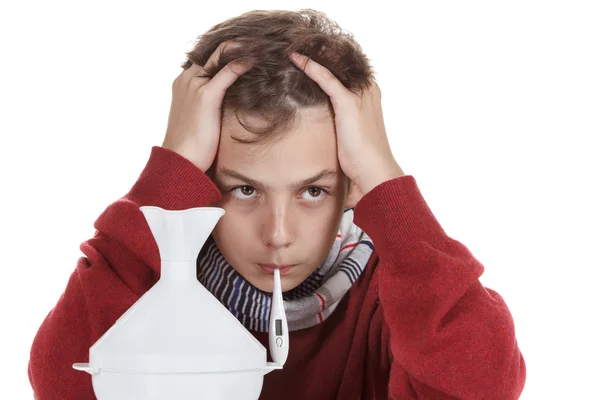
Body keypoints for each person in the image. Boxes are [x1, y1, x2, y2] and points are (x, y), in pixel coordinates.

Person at [27, 8, 526, 399]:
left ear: (353, 185)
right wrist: (169, 173)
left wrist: (385, 179)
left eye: (314, 191)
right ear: (200, 180)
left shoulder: (400, 293)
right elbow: (62, 385)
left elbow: (485, 388)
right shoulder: (145, 289)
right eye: (245, 189)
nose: (279, 234)